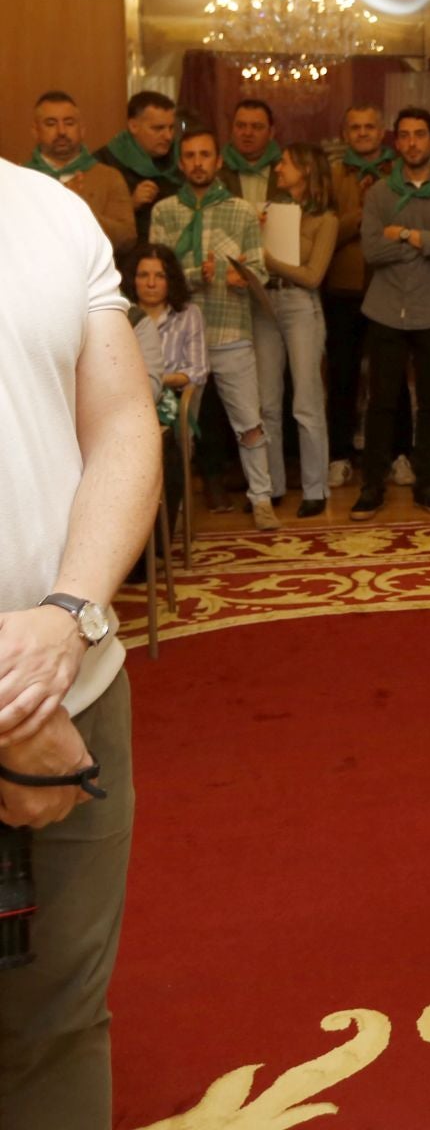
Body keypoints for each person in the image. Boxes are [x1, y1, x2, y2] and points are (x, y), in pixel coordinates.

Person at [0, 156, 161, 1129]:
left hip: (78, 686)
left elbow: (124, 424)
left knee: (58, 1021)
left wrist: (69, 617)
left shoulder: (51, 211)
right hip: (32, 700)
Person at [148, 126, 279, 530]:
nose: (198, 163)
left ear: (217, 161)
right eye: (189, 156)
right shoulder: (165, 211)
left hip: (230, 331)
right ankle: (176, 505)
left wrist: (243, 277)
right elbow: (156, 276)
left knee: (249, 422)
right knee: (179, 427)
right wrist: (196, 275)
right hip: (179, 338)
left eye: (205, 155)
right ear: (181, 162)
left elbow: (259, 271)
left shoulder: (240, 210)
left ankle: (261, 499)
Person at [352, 108, 430, 521]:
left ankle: (426, 485)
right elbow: (372, 250)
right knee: (380, 401)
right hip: (385, 309)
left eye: (419, 135)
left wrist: (403, 234)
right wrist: (428, 243)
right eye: (403, 135)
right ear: (397, 142)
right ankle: (372, 485)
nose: (412, 142)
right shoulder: (381, 193)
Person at [255, 145, 337, 518]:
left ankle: (315, 488)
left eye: (285, 162)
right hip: (264, 302)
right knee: (267, 401)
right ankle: (271, 485)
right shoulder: (271, 211)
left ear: (305, 169)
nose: (277, 168)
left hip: (302, 307)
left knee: (306, 400)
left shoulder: (326, 219)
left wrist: (269, 260)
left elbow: (313, 276)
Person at [325, 104, 396, 489]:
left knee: (392, 379)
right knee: (342, 377)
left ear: (381, 130)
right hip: (343, 288)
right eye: (356, 127)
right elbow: (325, 232)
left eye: (370, 126)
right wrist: (365, 215)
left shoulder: (397, 171)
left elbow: (405, 226)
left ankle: (395, 455)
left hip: (390, 286)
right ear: (345, 133)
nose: (364, 132)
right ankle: (339, 455)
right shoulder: (333, 175)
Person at [124, 241, 207, 524]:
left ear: (170, 280)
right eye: (143, 275)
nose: (150, 283)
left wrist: (156, 381)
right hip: (126, 404)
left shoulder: (188, 315)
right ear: (132, 279)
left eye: (159, 276)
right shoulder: (121, 316)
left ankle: (160, 532)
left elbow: (196, 370)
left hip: (168, 406)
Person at [27, 92, 134, 252]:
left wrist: (82, 208)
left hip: (92, 274)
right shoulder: (18, 178)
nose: (61, 131)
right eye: (51, 123)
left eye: (69, 123)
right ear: (35, 131)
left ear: (82, 130)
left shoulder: (109, 177)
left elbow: (127, 239)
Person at [94, 90, 180, 241]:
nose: (168, 136)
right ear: (133, 126)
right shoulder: (103, 163)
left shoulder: (182, 158)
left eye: (171, 128)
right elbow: (92, 222)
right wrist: (129, 205)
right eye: (158, 128)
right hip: (125, 255)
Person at [216, 98, 282, 211]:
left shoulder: (283, 169)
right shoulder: (217, 169)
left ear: (271, 133)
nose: (247, 133)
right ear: (231, 129)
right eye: (241, 126)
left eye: (256, 127)